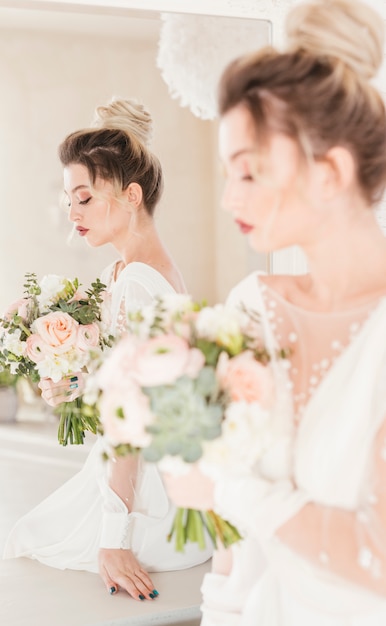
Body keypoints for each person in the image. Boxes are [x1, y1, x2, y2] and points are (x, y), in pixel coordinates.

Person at [162, 0, 386, 623]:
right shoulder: (250, 310)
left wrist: (227, 490)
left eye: (250, 171)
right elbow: (234, 550)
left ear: (331, 171)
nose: (232, 195)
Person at [3, 97, 212, 601]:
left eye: (84, 198)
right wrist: (69, 382)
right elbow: (116, 379)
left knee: (29, 542)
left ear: (131, 194)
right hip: (134, 470)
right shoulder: (120, 274)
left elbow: (134, 419)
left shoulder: (140, 283)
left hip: (150, 495)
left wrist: (114, 540)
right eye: (68, 200)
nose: (72, 213)